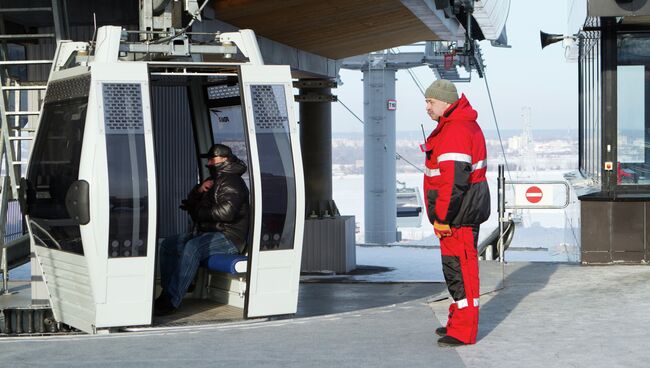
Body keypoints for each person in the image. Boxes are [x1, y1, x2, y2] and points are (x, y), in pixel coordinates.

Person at [420, 79, 490, 347]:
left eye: (431, 101)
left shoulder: (456, 130)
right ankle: (457, 320)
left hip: (457, 216)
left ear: (446, 102)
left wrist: (442, 218)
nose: (427, 107)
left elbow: (452, 182)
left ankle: (464, 330)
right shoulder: (453, 125)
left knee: (462, 271)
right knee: (455, 270)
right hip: (458, 214)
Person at [154, 143, 250, 316]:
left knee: (193, 248)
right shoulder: (214, 180)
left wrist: (198, 212)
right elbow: (194, 200)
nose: (210, 162)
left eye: (213, 158)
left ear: (224, 159)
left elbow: (226, 213)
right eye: (209, 159)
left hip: (228, 236)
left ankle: (172, 300)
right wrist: (199, 191)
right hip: (209, 232)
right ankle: (167, 292)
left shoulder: (232, 181)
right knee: (168, 244)